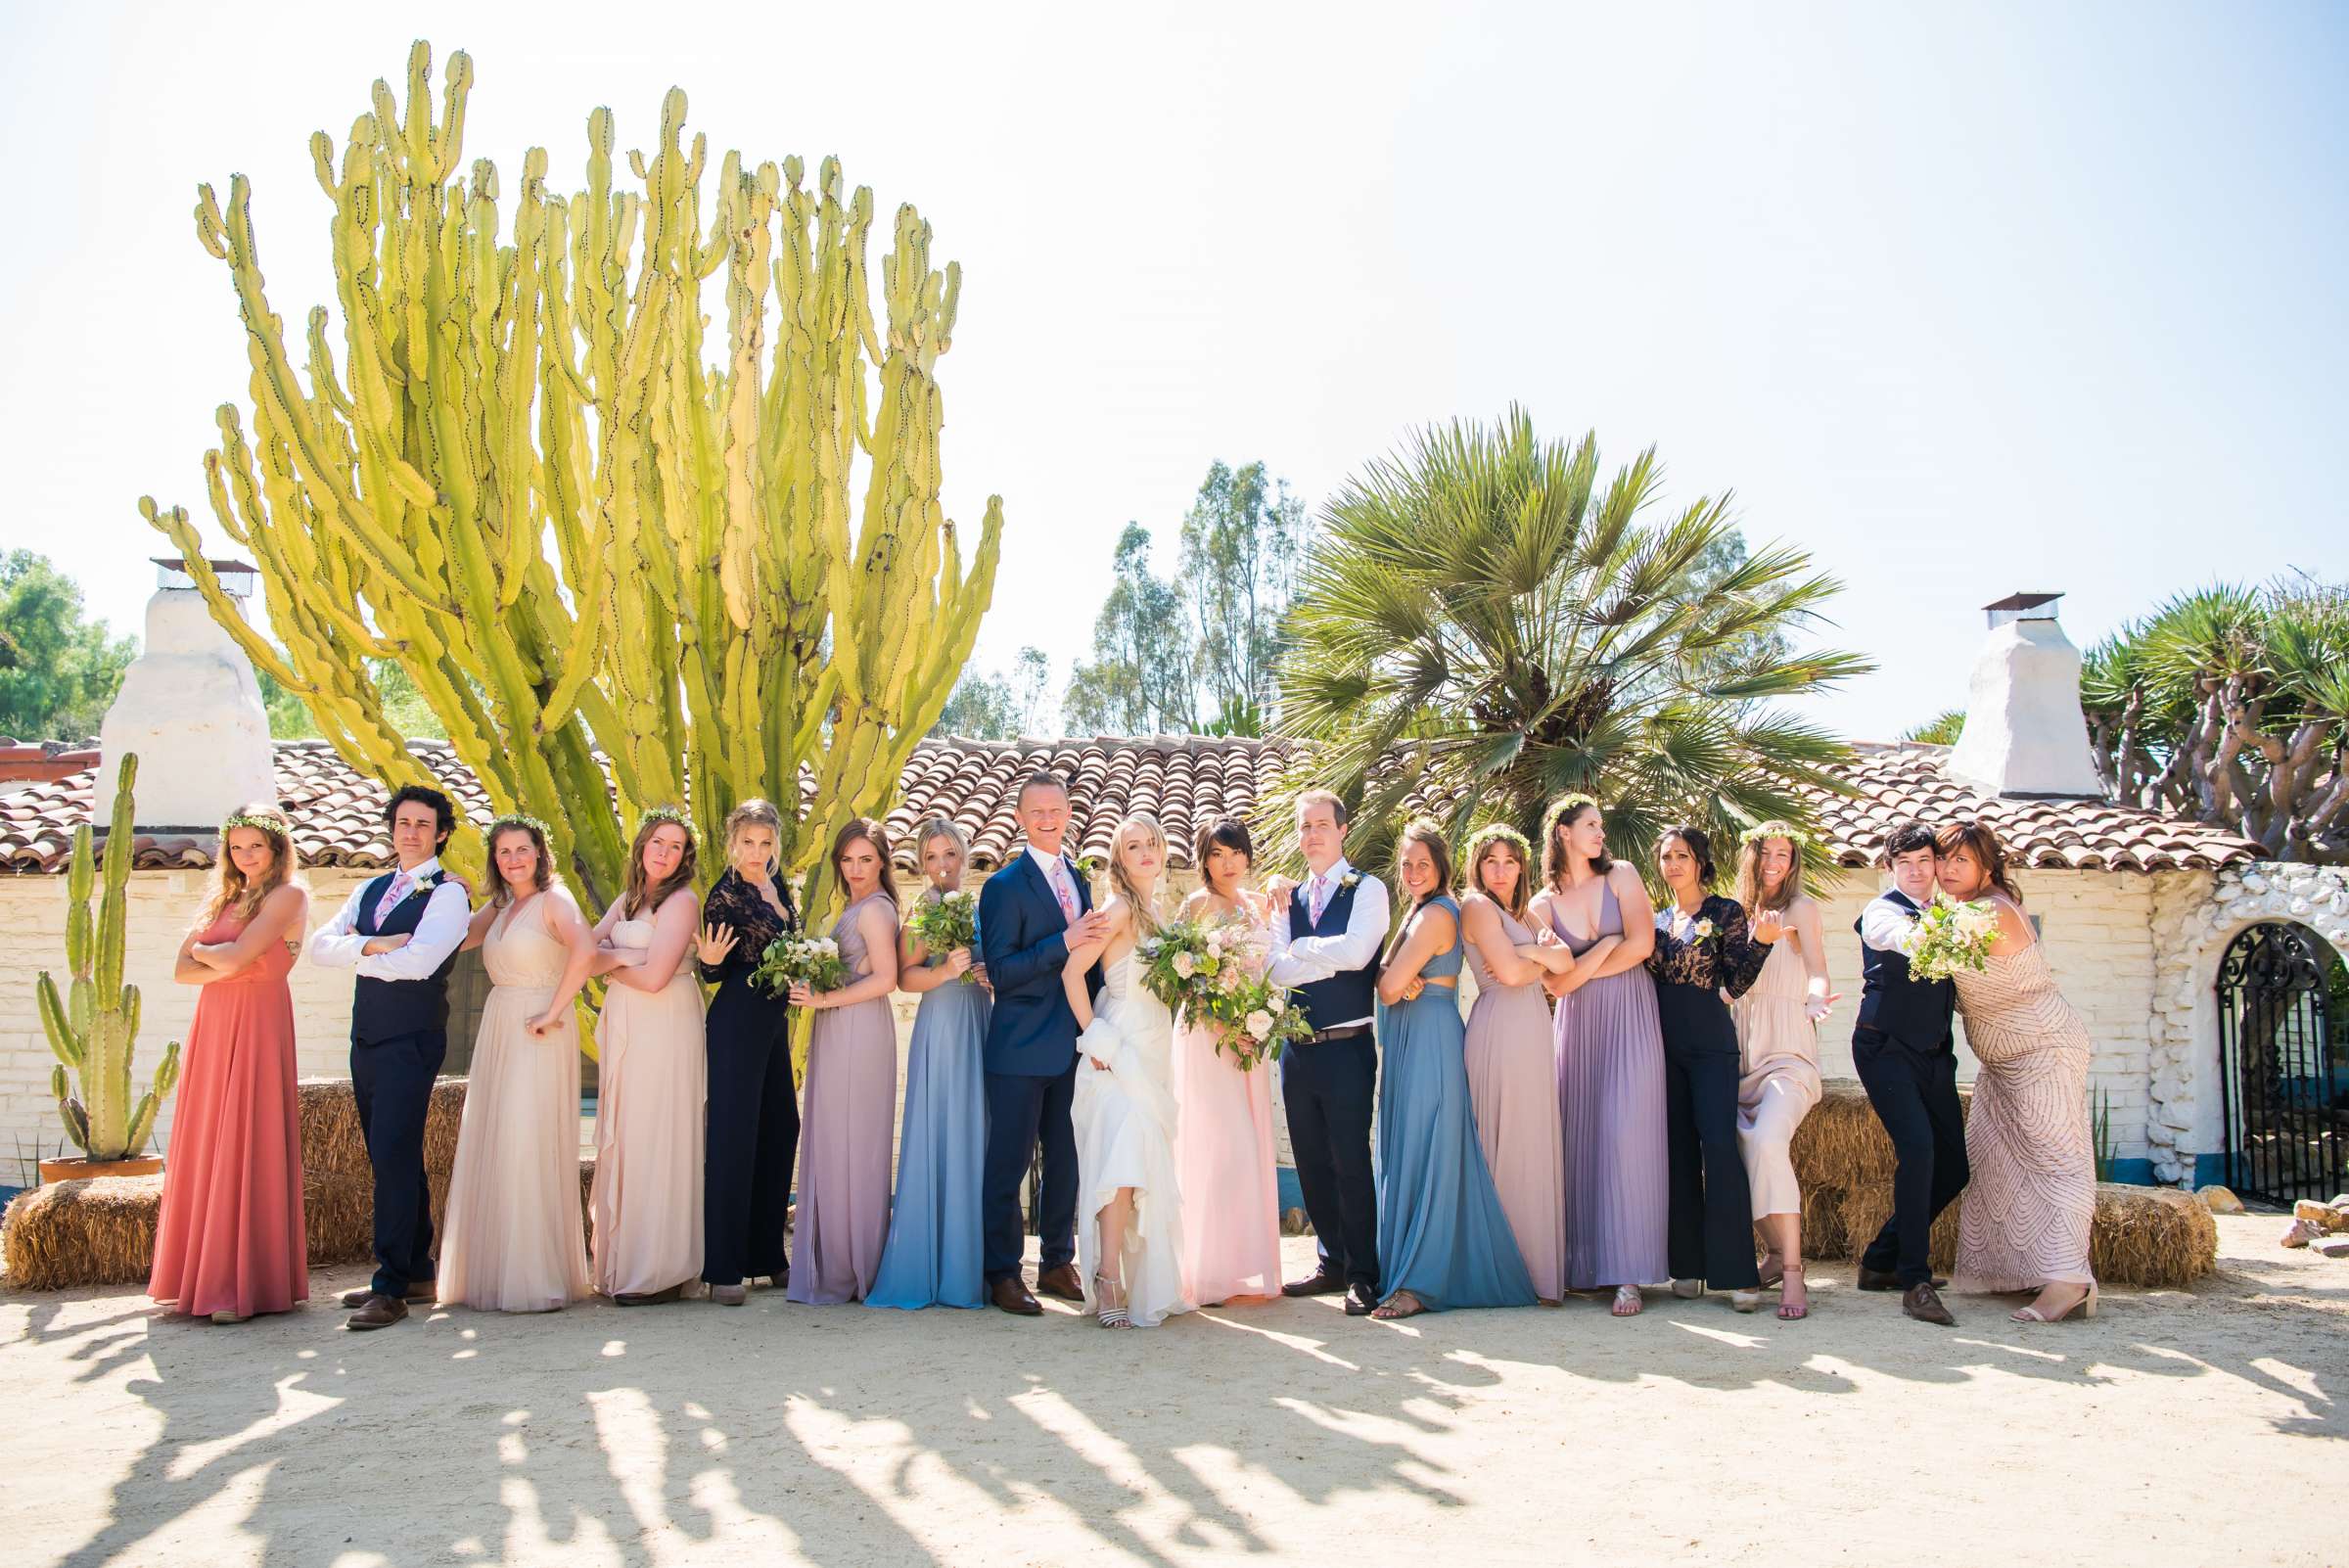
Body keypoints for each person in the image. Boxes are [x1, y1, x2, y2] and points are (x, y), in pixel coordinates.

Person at [309, 783, 473, 1330]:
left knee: (394, 1154)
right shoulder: (370, 888)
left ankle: (390, 1288)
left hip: (412, 1037)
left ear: (441, 833)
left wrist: (356, 953)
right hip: (368, 1036)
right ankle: (417, 1271)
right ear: (392, 827)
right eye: (403, 822)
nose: (411, 831)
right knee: (390, 1156)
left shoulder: (448, 894)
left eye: (423, 824)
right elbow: (317, 947)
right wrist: (374, 947)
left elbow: (422, 963)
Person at [149, 803, 311, 1324]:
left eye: (256, 846)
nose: (246, 856)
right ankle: (196, 1279)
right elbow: (180, 971)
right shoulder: (223, 895)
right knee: (207, 1136)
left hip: (259, 1022)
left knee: (248, 1135)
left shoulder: (290, 895)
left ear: (277, 849)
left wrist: (214, 956)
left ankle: (242, 1286)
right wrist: (225, 960)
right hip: (214, 1024)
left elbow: (239, 958)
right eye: (237, 847)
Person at [1369, 820, 1537, 1319]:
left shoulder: (1438, 914)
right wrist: (1389, 975)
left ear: (1441, 868)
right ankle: (1407, 1270)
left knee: (1430, 1149)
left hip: (1429, 1041)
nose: (1414, 871)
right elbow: (1389, 979)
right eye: (1407, 864)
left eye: (1424, 862)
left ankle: (1420, 1282)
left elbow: (1386, 987)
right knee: (1412, 1146)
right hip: (1411, 1036)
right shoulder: (1415, 914)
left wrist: (1389, 976)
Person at [1936, 821, 2098, 1323]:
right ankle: (2033, 1268)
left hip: (2043, 1049)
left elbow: (1929, 951)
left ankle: (2069, 1281)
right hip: (2003, 1060)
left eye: (1961, 860)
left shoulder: (1990, 911)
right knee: (1995, 1159)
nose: (1947, 869)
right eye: (1943, 859)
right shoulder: (1963, 910)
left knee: (2058, 1163)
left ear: (1987, 866)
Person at [436, 815, 595, 1314]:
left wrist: (555, 1008)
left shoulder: (555, 900)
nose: (513, 859)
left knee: (528, 1138)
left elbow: (586, 948)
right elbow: (456, 939)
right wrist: (446, 896)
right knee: (498, 1136)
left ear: (539, 851)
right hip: (501, 1025)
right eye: (503, 852)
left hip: (538, 1026)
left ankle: (536, 1276)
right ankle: (494, 1273)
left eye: (521, 849)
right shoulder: (501, 905)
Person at [977, 772, 1109, 1316]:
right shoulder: (1003, 887)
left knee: (1067, 1159)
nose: (1048, 819)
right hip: (1019, 1047)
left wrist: (1105, 1023)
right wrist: (1063, 941)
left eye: (1056, 809)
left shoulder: (1077, 879)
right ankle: (1001, 1273)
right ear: (1020, 818)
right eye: (1037, 812)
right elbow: (1003, 972)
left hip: (1073, 1044)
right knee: (1008, 1164)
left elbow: (1090, 963)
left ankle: (1057, 1261)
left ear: (1069, 811)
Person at [1529, 794, 1665, 1317]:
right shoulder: (1539, 905)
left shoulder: (1623, 875)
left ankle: (1629, 1272)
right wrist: (1606, 950)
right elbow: (1554, 984)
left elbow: (1642, 945)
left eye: (1600, 826)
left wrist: (1586, 965)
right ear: (1562, 832)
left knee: (1627, 1133)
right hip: (1579, 1025)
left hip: (1632, 1014)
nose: (1600, 833)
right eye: (1590, 825)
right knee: (1581, 1132)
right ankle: (1584, 1265)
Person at [1064, 813, 1192, 1328]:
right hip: (1118, 1048)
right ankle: (1107, 1275)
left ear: (1162, 852)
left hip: (1157, 1046)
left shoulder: (1163, 916)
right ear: (1119, 858)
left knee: (1145, 1165)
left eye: (1151, 844)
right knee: (1120, 1166)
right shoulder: (1116, 911)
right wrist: (1095, 1036)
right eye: (1133, 846)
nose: (1144, 853)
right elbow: (1073, 973)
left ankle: (1143, 1279)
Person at [1267, 790, 1390, 1318]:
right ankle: (1331, 1261)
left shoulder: (1368, 888)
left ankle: (1363, 1274)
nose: (1312, 834)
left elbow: (1358, 952)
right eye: (1305, 827)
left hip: (1346, 1047)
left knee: (1349, 1161)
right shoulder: (1285, 899)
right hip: (1297, 1050)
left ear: (1342, 829)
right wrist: (1320, 955)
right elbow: (1272, 967)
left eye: (1322, 825)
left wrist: (1300, 951)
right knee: (1312, 1161)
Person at [869, 818, 992, 1311]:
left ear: (963, 857)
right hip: (941, 1027)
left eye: (950, 855)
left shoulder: (979, 906)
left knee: (974, 1132)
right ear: (923, 865)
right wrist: (944, 970)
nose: (942, 866)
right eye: (932, 858)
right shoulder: (923, 909)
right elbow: (903, 978)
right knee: (940, 1129)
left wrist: (986, 974)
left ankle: (970, 1266)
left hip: (978, 1021)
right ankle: (930, 1264)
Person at [586, 807, 707, 1306]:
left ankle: (659, 1269)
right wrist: (621, 958)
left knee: (659, 1133)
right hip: (629, 1023)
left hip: (665, 1024)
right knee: (630, 1134)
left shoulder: (681, 902)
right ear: (642, 846)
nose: (664, 852)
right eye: (657, 842)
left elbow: (656, 978)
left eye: (675, 846)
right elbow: (585, 949)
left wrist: (611, 963)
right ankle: (625, 1262)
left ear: (684, 857)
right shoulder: (629, 899)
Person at [1851, 819, 1967, 1327]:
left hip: (1935, 1052)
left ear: (1937, 864)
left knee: (1954, 1169)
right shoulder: (1881, 912)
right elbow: (1900, 938)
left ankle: (1880, 1261)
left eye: (1925, 861)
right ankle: (1914, 1280)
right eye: (1906, 863)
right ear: (1890, 867)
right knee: (1918, 1151)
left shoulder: (1947, 911)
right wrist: (1954, 934)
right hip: (1885, 1048)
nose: (1917, 871)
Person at [1647, 825, 1769, 1310]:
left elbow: (1738, 977)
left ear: (1700, 861)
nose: (1673, 864)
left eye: (1682, 855)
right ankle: (1687, 1266)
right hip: (1664, 1045)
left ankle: (1738, 1274)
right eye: (1666, 857)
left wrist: (1765, 944)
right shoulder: (1655, 920)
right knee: (1677, 1150)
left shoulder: (1724, 912)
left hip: (1712, 1046)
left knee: (1718, 1148)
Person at [787, 818, 903, 1305]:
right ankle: (836, 1258)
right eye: (847, 860)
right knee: (836, 1139)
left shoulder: (875, 910)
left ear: (882, 862)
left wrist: (826, 1001)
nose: (855, 869)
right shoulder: (854, 906)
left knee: (853, 1143)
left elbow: (886, 979)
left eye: (866, 859)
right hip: (839, 1025)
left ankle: (853, 1266)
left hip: (859, 1029)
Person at [693, 799, 802, 1307]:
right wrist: (708, 965)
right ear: (732, 844)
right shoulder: (725, 895)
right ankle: (724, 1266)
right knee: (734, 1137)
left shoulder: (776, 887)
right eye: (747, 843)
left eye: (765, 843)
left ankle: (767, 1254)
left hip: (774, 1022)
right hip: (738, 1018)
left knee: (782, 1126)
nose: (756, 852)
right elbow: (714, 970)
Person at [1171, 816, 1283, 1308]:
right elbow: (1180, 975)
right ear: (1204, 861)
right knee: (1216, 1146)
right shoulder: (1195, 906)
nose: (1228, 862)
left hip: (1247, 1043)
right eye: (1217, 853)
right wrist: (1223, 1021)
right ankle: (1204, 1269)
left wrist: (1255, 1021)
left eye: (1235, 852)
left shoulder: (1256, 906)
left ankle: (1235, 1266)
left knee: (1245, 1149)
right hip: (1207, 1041)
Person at [1729, 823, 1838, 1321]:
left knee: (1768, 1139)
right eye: (1766, 852)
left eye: (1785, 854)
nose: (1775, 861)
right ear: (1750, 856)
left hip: (1787, 1055)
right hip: (1736, 1057)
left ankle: (1792, 1271)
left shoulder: (1801, 909)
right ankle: (1773, 1250)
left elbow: (1816, 966)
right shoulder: (1731, 913)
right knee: (1733, 1150)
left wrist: (1816, 998)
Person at [1457, 823, 1568, 1304]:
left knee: (1530, 1138)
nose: (1500, 871)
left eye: (1508, 862)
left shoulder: (1523, 912)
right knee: (1502, 1138)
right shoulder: (1476, 906)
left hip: (1532, 1028)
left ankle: (1533, 1271)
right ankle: (1500, 1268)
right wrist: (1534, 959)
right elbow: (1506, 973)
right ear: (1477, 867)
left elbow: (1563, 959)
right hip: (1499, 1024)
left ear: (1522, 866)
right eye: (1490, 862)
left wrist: (1528, 953)